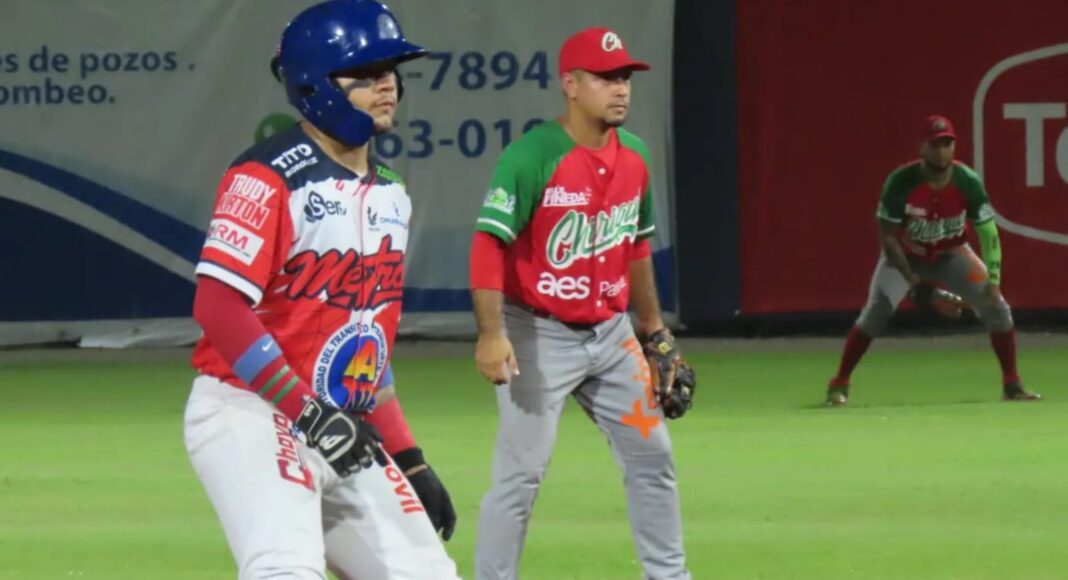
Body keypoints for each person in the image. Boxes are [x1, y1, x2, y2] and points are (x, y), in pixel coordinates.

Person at [183, 1, 459, 577]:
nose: (387, 85)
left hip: (343, 422)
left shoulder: (392, 194)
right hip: (251, 410)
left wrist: (407, 455)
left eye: (391, 71)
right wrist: (305, 414)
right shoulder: (267, 176)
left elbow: (366, 342)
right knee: (285, 567)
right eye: (366, 73)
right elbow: (218, 305)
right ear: (315, 84)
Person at [469, 27, 694, 580]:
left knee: (654, 456)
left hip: (613, 339)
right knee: (520, 476)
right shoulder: (533, 156)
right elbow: (488, 243)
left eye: (625, 78)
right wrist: (492, 333)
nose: (620, 88)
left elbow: (635, 245)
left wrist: (654, 330)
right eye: (605, 77)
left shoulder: (636, 156)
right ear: (570, 85)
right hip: (536, 336)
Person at [826, 114, 1041, 406]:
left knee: (998, 308)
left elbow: (988, 233)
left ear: (954, 147)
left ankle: (1012, 384)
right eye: (935, 144)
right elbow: (888, 238)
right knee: (877, 311)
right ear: (922, 148)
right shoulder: (901, 182)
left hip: (952, 253)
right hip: (906, 256)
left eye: (947, 144)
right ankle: (839, 383)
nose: (941, 151)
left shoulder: (967, 181)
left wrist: (993, 279)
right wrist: (915, 286)